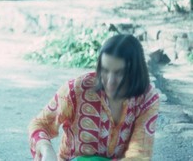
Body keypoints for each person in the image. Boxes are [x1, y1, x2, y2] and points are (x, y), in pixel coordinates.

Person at [28, 34, 160, 160]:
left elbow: (138, 155)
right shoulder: (77, 90)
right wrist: (46, 149)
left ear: (135, 72)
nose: (110, 82)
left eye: (119, 73)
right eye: (105, 70)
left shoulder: (147, 99)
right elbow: (40, 124)